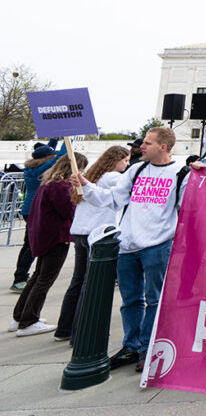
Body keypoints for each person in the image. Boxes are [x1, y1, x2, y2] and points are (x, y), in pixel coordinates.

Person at [72, 127, 192, 371]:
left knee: (155, 299)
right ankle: (131, 345)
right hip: (127, 245)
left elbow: (186, 210)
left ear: (163, 147)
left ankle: (148, 346)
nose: (141, 147)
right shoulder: (135, 170)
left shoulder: (181, 173)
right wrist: (85, 185)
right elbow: (112, 199)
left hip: (158, 245)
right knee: (130, 300)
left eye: (148, 143)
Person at [55, 146, 129, 343]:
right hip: (98, 234)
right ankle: (81, 332)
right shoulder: (114, 177)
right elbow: (131, 187)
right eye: (126, 161)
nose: (128, 165)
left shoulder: (92, 174)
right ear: (116, 160)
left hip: (80, 232)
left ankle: (65, 328)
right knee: (92, 285)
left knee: (78, 281)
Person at [10, 152, 88, 337]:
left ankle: (20, 315)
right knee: (45, 279)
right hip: (56, 236)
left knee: (38, 277)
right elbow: (68, 211)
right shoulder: (61, 186)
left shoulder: (48, 183)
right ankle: (29, 320)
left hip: (46, 235)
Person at [11, 139, 66, 293]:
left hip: (29, 210)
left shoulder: (33, 168)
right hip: (36, 211)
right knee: (31, 246)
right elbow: (60, 156)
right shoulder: (41, 170)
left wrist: (54, 140)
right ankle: (20, 278)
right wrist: (70, 135)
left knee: (28, 244)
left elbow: (49, 153)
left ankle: (21, 275)